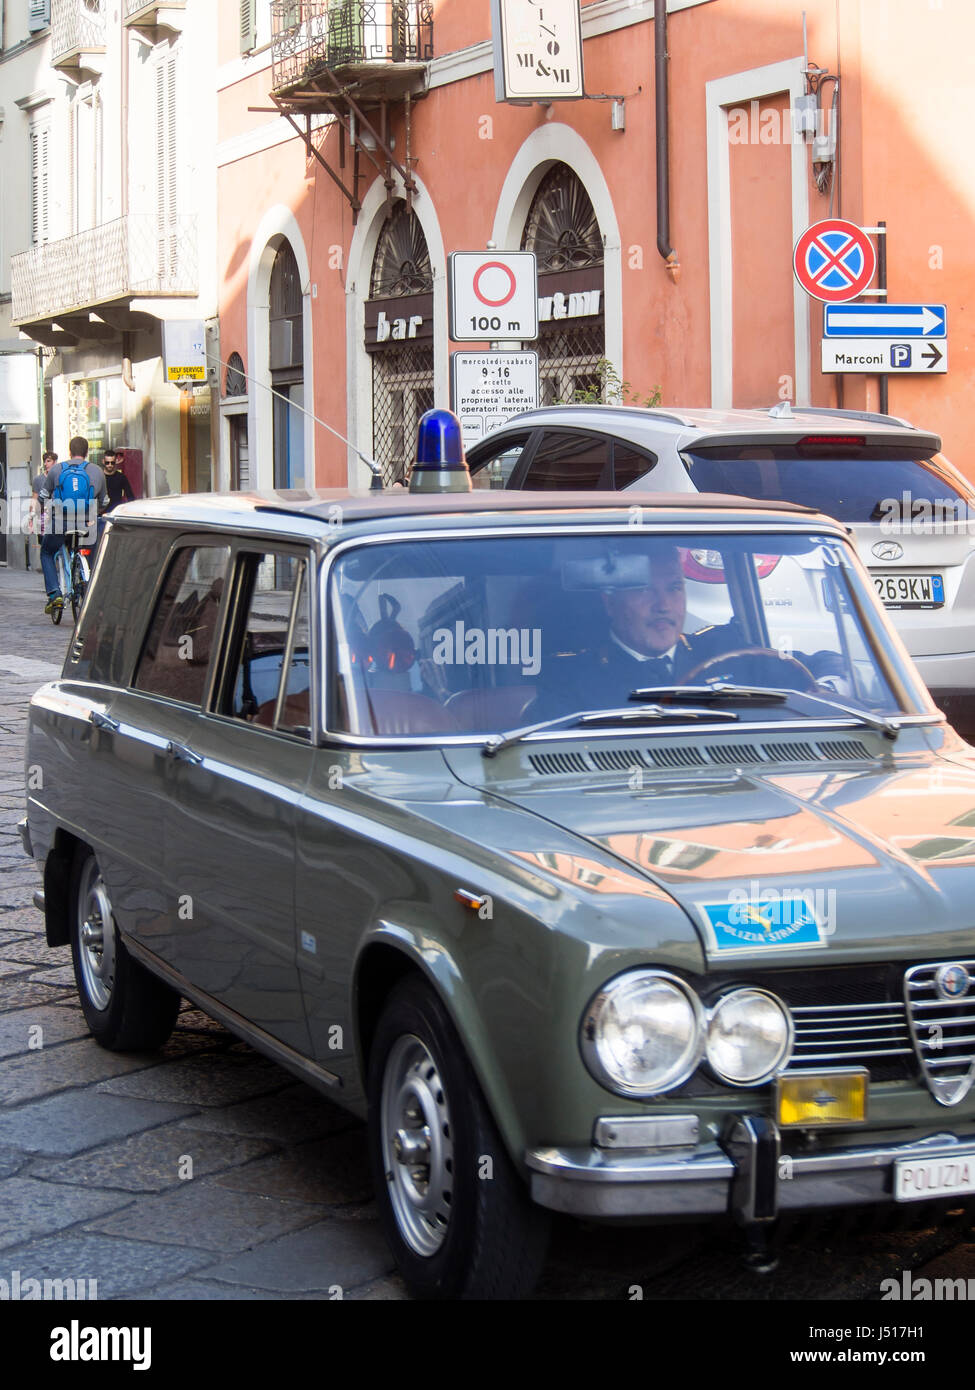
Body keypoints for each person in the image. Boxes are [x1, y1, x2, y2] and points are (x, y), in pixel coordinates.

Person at [37, 437, 107, 615]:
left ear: (69, 452)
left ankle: (55, 594)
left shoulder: (57, 469)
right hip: (87, 524)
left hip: (60, 523)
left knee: (46, 552)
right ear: (87, 452)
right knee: (92, 555)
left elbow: (42, 496)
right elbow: (104, 501)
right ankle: (88, 588)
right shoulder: (97, 471)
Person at [26, 451, 57, 571]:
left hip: (56, 515)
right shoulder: (38, 480)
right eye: (45, 461)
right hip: (42, 517)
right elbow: (34, 499)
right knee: (44, 546)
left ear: (55, 462)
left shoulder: (59, 478)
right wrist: (31, 517)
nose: (46, 463)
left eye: (49, 461)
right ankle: (49, 570)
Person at [102, 448, 136, 512]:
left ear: (116, 461)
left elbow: (131, 497)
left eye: (112, 463)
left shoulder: (121, 477)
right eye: (107, 463)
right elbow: (93, 497)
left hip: (116, 513)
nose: (110, 465)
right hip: (101, 513)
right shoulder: (99, 476)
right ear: (103, 462)